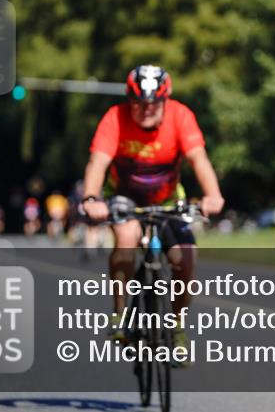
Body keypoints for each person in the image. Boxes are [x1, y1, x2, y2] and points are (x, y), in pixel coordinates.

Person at [79, 64, 225, 363]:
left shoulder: (180, 116)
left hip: (169, 197)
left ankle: (177, 326)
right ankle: (121, 314)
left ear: (165, 99)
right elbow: (97, 162)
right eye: (139, 103)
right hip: (124, 197)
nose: (146, 109)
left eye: (153, 103)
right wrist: (92, 198)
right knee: (127, 236)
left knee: (185, 257)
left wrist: (213, 195)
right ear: (129, 100)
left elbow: (199, 159)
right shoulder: (114, 118)